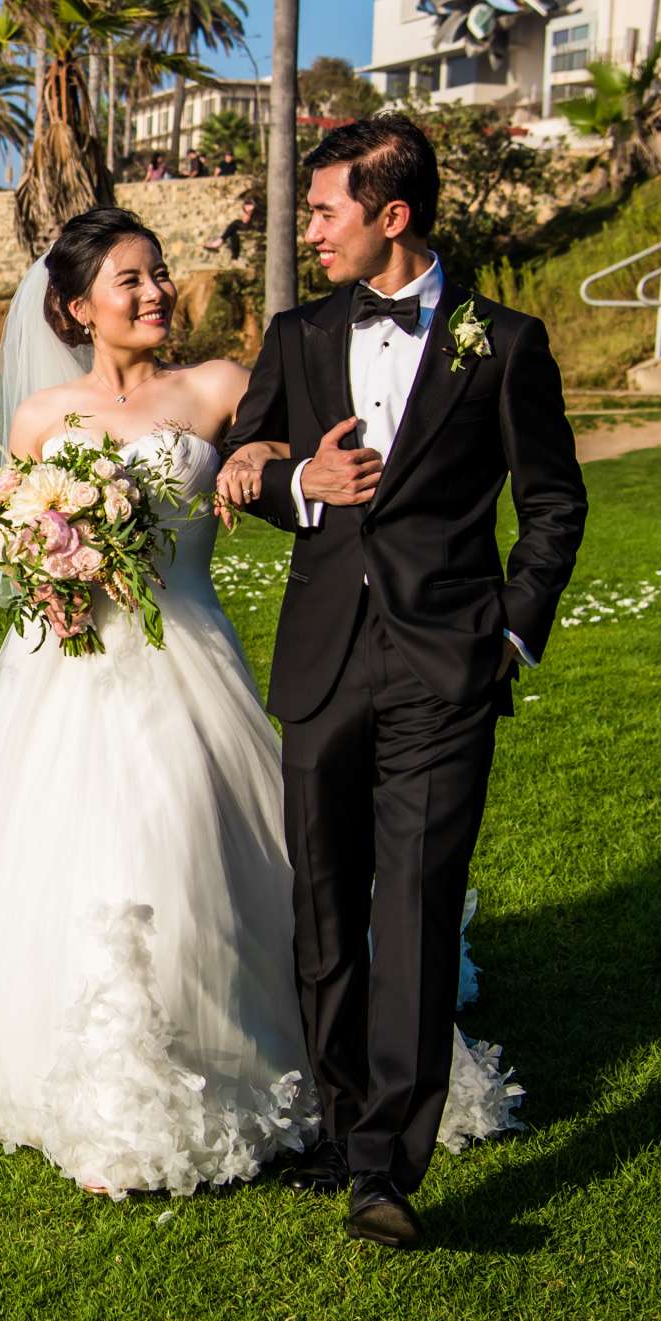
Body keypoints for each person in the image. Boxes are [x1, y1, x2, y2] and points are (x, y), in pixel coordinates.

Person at [0, 205, 523, 1206]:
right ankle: (99, 1084)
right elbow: (19, 525)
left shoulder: (217, 386)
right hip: (68, 670)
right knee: (65, 854)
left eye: (159, 273)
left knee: (195, 835)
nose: (158, 290)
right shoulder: (42, 420)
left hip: (187, 656)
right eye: (131, 279)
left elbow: (289, 467)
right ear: (79, 308)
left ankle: (272, 1057)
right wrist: (45, 566)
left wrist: (271, 466)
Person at [218, 117, 585, 1248]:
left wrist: (509, 635)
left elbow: (555, 504)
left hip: (445, 663)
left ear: (392, 217)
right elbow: (244, 458)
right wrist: (300, 484)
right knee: (325, 914)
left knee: (417, 908)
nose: (309, 230)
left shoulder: (503, 343)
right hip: (323, 657)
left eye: (325, 211)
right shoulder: (299, 331)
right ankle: (339, 1120)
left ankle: (388, 1163)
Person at [202, 194, 262, 266]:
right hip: (251, 225)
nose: (245, 206)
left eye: (247, 204)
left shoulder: (255, 209)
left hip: (256, 226)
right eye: (246, 204)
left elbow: (246, 221)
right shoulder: (251, 209)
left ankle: (219, 243)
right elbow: (245, 220)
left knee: (235, 223)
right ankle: (234, 257)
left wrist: (248, 213)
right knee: (233, 233)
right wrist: (247, 213)